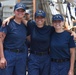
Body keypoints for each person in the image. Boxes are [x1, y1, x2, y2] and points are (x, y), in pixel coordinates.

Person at [2, 10, 76, 75]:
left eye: (42, 17)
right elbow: (19, 18)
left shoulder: (49, 29)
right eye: (38, 17)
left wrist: (71, 32)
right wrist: (9, 18)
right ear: (35, 18)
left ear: (45, 19)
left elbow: (60, 29)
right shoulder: (31, 25)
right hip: (34, 57)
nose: (39, 19)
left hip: (46, 58)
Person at [0, 2, 28, 75]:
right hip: (9, 54)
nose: (20, 12)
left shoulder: (25, 25)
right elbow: (0, 40)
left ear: (24, 12)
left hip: (21, 56)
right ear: (14, 11)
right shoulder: (7, 24)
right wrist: (2, 57)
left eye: (22, 11)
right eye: (18, 10)